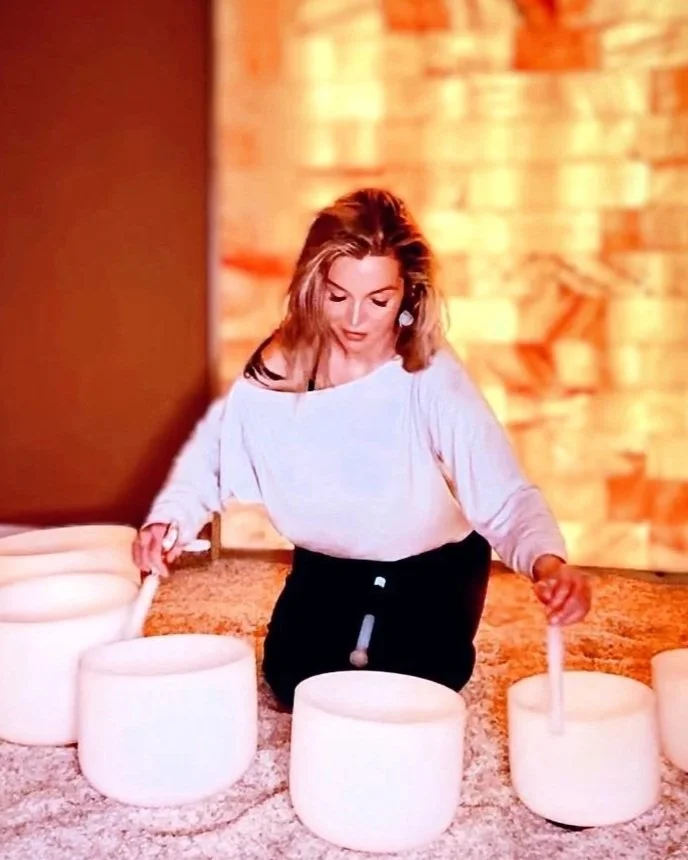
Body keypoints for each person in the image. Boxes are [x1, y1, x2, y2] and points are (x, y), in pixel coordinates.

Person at [133, 187, 591, 710]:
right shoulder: (281, 365)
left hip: (432, 565)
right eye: (337, 296)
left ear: (407, 295)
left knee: (411, 695)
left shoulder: (429, 371)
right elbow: (212, 462)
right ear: (313, 286)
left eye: (378, 300)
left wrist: (549, 566)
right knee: (295, 683)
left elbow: (504, 496)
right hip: (328, 563)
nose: (355, 320)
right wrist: (167, 522)